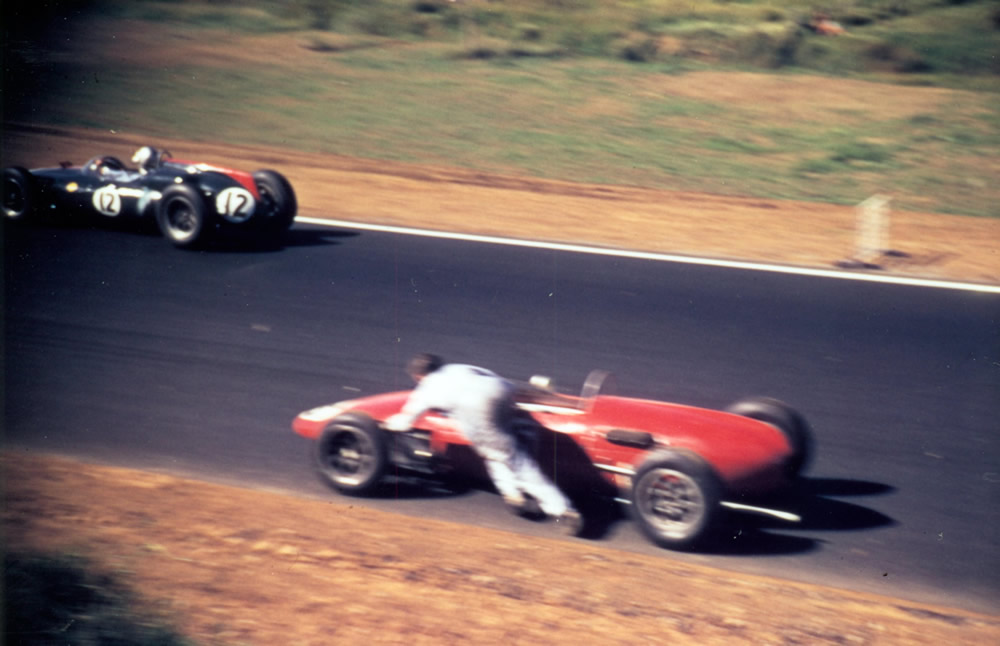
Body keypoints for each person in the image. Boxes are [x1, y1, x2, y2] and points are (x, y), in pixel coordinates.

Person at [385, 353, 582, 534]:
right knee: (501, 448)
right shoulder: (458, 368)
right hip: (501, 391)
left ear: (418, 376)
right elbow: (494, 378)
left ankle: (562, 510)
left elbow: (405, 420)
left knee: (510, 457)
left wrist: (388, 426)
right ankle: (513, 496)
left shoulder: (425, 389)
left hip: (475, 406)